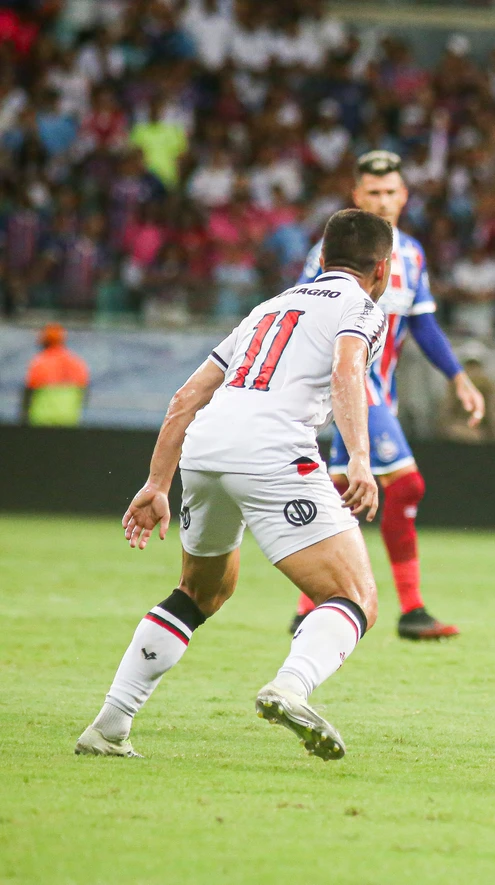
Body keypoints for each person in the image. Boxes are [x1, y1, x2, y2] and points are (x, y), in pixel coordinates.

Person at [76, 209, 392, 760]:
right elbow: (347, 371)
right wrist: (360, 459)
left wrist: (156, 484)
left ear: (322, 259)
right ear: (383, 270)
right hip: (273, 451)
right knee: (355, 597)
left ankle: (110, 724)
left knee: (201, 593)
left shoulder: (269, 308)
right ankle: (291, 687)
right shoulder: (361, 307)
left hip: (205, 447)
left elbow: (185, 397)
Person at [293, 150, 486, 640]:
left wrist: (457, 376)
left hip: (382, 394)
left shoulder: (414, 254)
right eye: (372, 193)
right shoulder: (329, 252)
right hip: (353, 389)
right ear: (356, 197)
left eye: (390, 192)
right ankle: (412, 608)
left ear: (404, 196)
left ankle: (308, 605)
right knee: (406, 484)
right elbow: (301, 311)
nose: (382, 200)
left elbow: (421, 323)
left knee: (339, 493)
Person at [22, 323, 90, 426]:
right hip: (69, 420)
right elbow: (84, 394)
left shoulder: (40, 363)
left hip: (41, 421)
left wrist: (23, 418)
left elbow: (29, 393)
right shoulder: (76, 362)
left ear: (44, 341)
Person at [437, 342, 495, 443]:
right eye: (470, 365)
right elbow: (446, 410)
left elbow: (494, 413)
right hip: (457, 431)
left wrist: (493, 435)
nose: (472, 370)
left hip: (480, 433)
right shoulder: (454, 384)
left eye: (475, 365)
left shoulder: (488, 385)